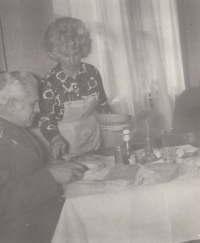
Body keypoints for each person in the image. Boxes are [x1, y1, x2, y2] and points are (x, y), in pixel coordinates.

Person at [0, 71, 88, 242]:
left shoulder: (14, 128)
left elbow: (22, 173)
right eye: (33, 104)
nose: (38, 110)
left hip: (36, 221)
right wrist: (50, 175)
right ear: (11, 103)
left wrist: (52, 167)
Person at [39, 17, 112, 160]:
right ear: (55, 53)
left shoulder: (92, 73)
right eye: (66, 55)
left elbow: (103, 106)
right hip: (65, 148)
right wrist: (55, 139)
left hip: (93, 142)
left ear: (83, 49)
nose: (72, 60)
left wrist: (116, 126)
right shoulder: (49, 82)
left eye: (76, 53)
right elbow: (46, 120)